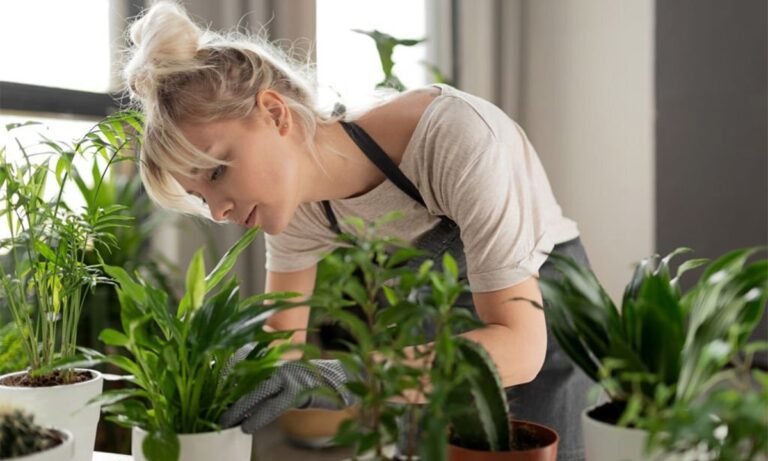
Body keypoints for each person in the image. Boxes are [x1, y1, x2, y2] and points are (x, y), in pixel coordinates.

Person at [124, 3, 592, 460]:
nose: (220, 211)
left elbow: (520, 346)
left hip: (533, 324)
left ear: (274, 113)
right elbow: (281, 346)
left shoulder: (455, 139)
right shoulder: (297, 208)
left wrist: (334, 376)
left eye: (218, 171)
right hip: (431, 332)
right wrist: (219, 371)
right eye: (201, 197)